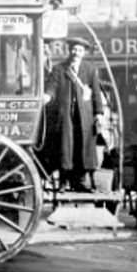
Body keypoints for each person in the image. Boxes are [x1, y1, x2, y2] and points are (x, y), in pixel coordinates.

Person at [42, 37, 105, 192]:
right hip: (66, 116)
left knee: (83, 147)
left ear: (84, 53)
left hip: (85, 116)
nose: (76, 53)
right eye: (74, 49)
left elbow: (96, 93)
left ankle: (81, 182)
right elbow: (52, 87)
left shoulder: (90, 70)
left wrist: (99, 113)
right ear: (69, 50)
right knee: (65, 148)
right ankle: (64, 182)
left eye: (80, 50)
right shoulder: (59, 69)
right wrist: (47, 97)